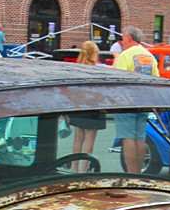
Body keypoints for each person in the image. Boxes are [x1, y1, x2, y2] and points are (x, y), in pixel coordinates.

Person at [112, 26, 158, 174]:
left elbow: (118, 79)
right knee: (140, 138)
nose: (121, 41)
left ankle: (131, 173)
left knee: (127, 138)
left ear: (129, 38)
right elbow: (156, 79)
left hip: (127, 101)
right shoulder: (149, 56)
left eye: (123, 37)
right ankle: (138, 172)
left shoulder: (125, 55)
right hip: (145, 100)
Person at [68, 41, 106, 172]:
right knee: (90, 140)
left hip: (79, 106)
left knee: (78, 139)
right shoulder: (99, 69)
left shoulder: (77, 68)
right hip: (94, 107)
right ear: (95, 53)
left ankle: (75, 169)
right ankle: (84, 170)